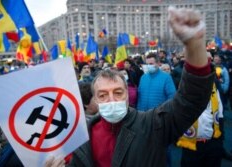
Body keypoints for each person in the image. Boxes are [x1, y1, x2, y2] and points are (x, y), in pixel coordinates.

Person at [46, 7, 214, 167]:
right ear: (95, 99)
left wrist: (194, 45)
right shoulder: (80, 138)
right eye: (103, 95)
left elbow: (190, 100)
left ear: (128, 94)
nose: (111, 100)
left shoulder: (153, 125)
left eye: (117, 92)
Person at [177, 83, 224, 167]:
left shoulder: (214, 89)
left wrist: (218, 143)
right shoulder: (184, 89)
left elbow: (220, 116)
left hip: (212, 145)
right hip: (191, 145)